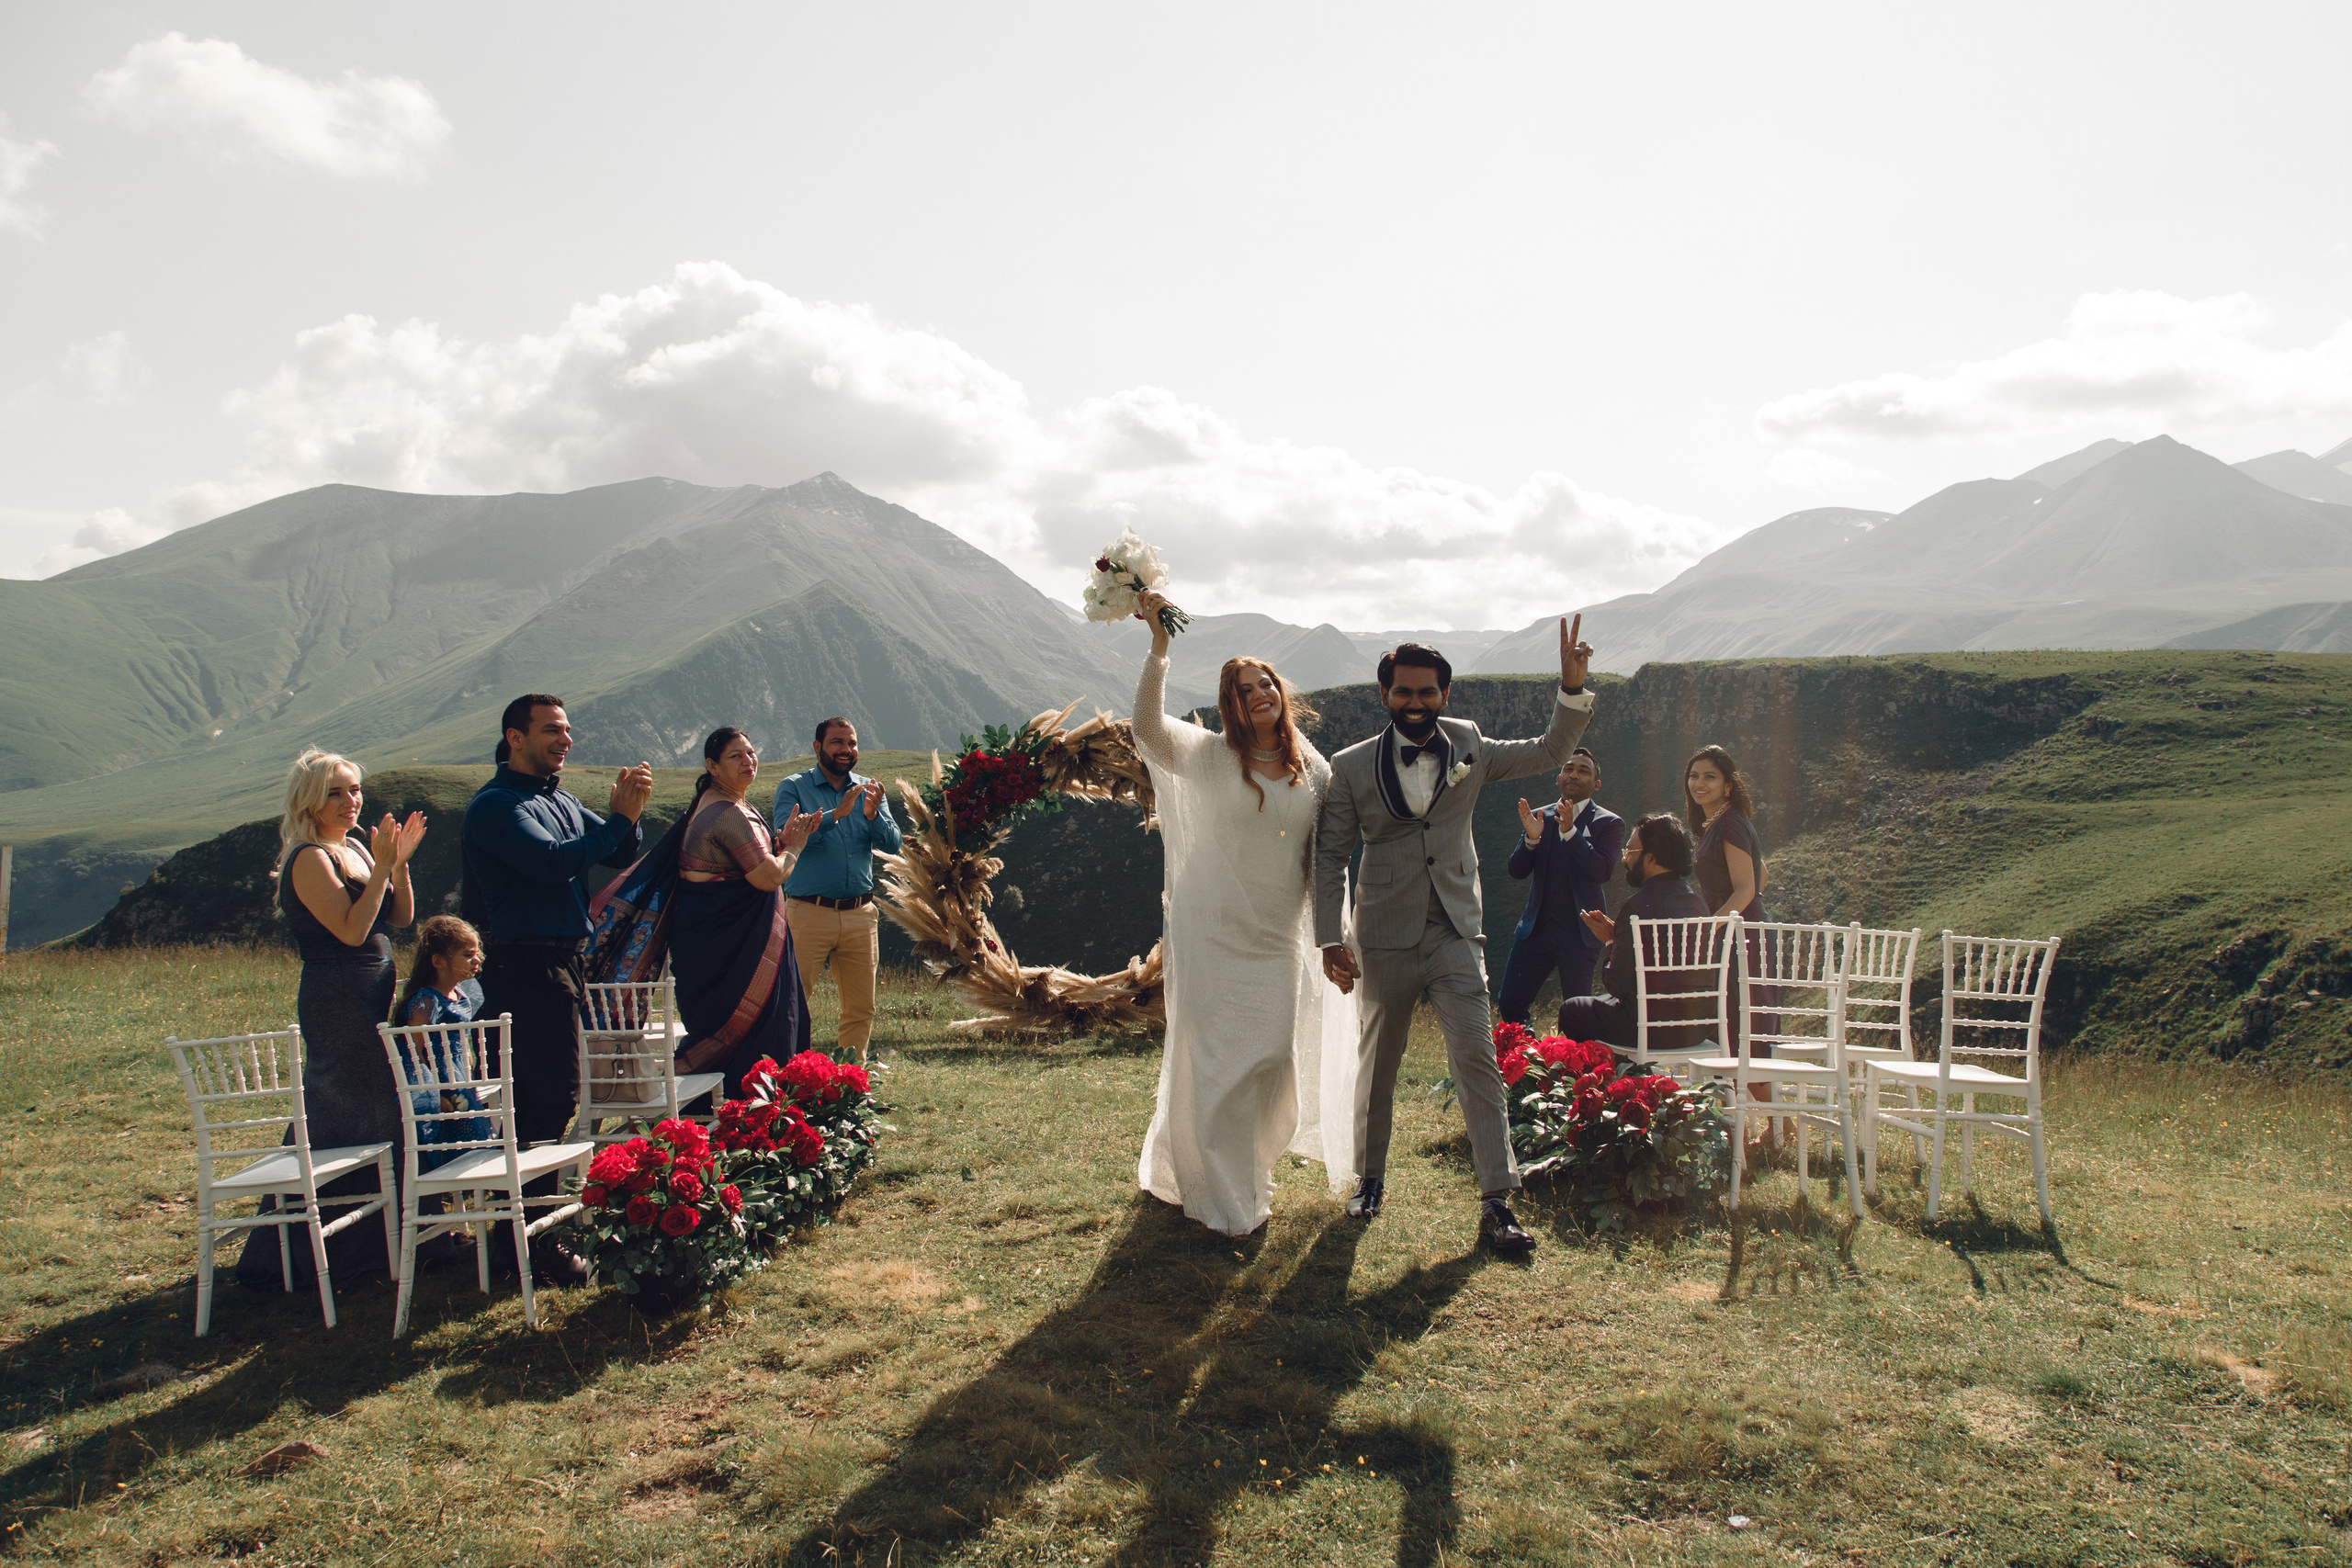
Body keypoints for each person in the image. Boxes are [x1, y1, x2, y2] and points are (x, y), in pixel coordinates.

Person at [1313, 617, 1595, 1257]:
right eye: (1404, 692)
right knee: (1377, 1064)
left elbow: (1550, 750)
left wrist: (1571, 689)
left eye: (1428, 692)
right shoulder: (1349, 766)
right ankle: (1370, 1180)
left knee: (1476, 1055)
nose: (1416, 702)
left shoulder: (1468, 742)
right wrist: (1330, 935)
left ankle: (1498, 1201)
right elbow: (1329, 856)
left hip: (1456, 930)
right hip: (1382, 933)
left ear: (1445, 695)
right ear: (1384, 695)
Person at [1132, 590, 1358, 1236]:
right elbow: (1147, 729)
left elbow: (1324, 860)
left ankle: (1247, 1164)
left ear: (1281, 692)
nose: (1259, 694)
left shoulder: (1309, 769)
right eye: (1243, 689)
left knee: (1268, 1060)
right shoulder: (1209, 755)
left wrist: (1333, 940)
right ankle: (1228, 1194)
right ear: (1230, 705)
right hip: (1210, 930)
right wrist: (1159, 650)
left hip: (1272, 938)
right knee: (1214, 1060)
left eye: (1266, 684)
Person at [460, 694, 653, 1278]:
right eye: (551, 730)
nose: (565, 740)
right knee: (544, 1099)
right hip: (521, 969)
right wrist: (617, 820)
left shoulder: (559, 798)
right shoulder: (495, 806)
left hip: (561, 963)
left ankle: (521, 1232)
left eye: (567, 730)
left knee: (552, 1096)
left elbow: (619, 848)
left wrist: (631, 813)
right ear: (515, 738)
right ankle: (524, 1242)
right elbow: (551, 863)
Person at [235, 748, 425, 1287]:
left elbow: (401, 918)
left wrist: (399, 863)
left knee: (377, 1111)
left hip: (371, 992)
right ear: (311, 800)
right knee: (347, 1111)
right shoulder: (310, 857)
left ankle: (372, 1241)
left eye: (355, 789)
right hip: (338, 997)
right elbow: (350, 930)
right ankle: (326, 1254)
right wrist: (384, 867)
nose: (351, 801)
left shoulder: (358, 849)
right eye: (337, 791)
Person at [673, 727, 823, 1092]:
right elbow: (768, 877)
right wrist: (796, 846)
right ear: (712, 765)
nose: (748, 761)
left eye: (751, 753)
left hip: (723, 945)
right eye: (735, 756)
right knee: (750, 1042)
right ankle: (745, 1119)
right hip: (729, 953)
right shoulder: (726, 814)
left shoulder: (727, 803)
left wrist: (782, 842)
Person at [771, 718, 902, 1064]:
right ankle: (786, 1079)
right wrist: (838, 814)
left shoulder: (869, 788)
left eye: (852, 743)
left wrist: (873, 816)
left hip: (861, 914)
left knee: (861, 1007)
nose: (846, 750)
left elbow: (894, 843)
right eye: (837, 742)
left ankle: (850, 1083)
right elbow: (787, 836)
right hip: (808, 912)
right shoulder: (794, 787)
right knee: (793, 1002)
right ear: (818, 747)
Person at [1556, 814, 1713, 1051]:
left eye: (1629, 851)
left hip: (1649, 1028)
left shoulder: (1637, 906)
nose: (1624, 859)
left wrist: (1610, 940)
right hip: (1696, 1027)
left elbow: (1617, 984)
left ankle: (1603, 1081)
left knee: (1572, 1010)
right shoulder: (1698, 903)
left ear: (1650, 858)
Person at [1494, 747, 1624, 1025]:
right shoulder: (1539, 816)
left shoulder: (1609, 823)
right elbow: (1516, 871)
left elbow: (1601, 870)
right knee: (1509, 1002)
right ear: (1558, 778)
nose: (1574, 774)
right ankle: (1529, 1063)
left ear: (1596, 785)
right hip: (1536, 930)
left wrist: (1571, 832)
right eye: (1569, 768)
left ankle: (1573, 1066)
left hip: (1579, 934)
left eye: (1583, 770)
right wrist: (1531, 840)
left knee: (1577, 1012)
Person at [1686, 743, 1775, 1080]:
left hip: (1740, 936)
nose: (1699, 783)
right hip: (1740, 927)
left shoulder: (1730, 824)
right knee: (1735, 1020)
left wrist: (1710, 927)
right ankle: (1767, 1125)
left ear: (1728, 785)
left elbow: (1747, 887)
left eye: (1710, 776)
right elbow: (1761, 873)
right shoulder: (1719, 822)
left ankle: (1779, 1126)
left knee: (1741, 1022)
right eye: (1694, 776)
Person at [393, 915, 491, 1172]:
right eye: (467, 954)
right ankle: (448, 1186)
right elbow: (412, 1052)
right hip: (437, 1080)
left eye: (477, 952)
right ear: (438, 961)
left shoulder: (461, 995)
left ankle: (471, 1184)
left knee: (476, 1127)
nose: (477, 959)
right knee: (455, 1135)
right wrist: (433, 1093)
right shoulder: (427, 1002)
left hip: (458, 1075)